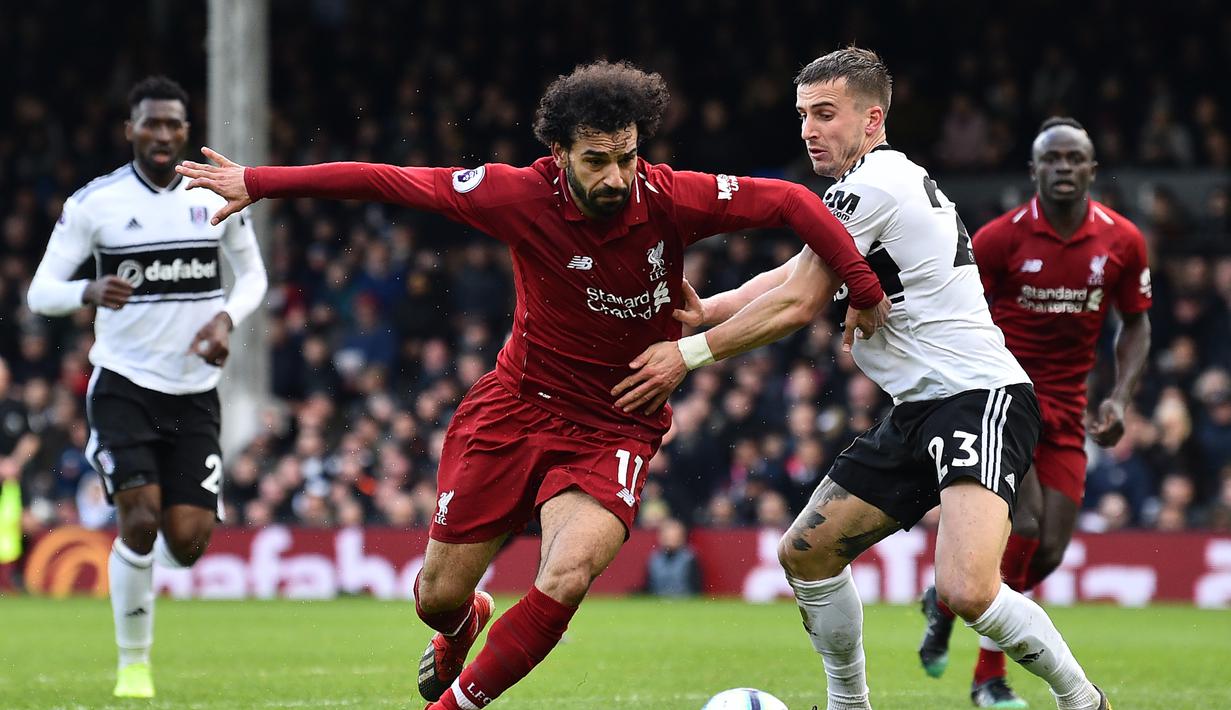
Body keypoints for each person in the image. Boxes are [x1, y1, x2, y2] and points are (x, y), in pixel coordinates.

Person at [175, 60, 889, 710]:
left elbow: (795, 202)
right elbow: (389, 179)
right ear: (559, 155)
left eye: (628, 158)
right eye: (597, 162)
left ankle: (452, 707)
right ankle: (464, 624)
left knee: (567, 573)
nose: (616, 177)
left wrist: (860, 286)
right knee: (436, 598)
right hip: (515, 408)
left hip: (616, 422)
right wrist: (259, 182)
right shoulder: (513, 194)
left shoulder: (670, 198)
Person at [612, 48, 1110, 710]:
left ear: (872, 118)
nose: (808, 131)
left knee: (966, 590)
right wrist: (711, 309)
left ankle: (1082, 701)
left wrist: (690, 353)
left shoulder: (870, 187)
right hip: (919, 407)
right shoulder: (870, 184)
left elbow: (798, 304)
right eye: (801, 116)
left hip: (977, 396)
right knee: (807, 555)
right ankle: (850, 705)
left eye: (825, 114)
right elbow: (793, 274)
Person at [26, 76, 268, 699]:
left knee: (186, 542)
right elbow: (40, 291)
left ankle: (138, 576)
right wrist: (85, 291)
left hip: (195, 390)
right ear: (130, 130)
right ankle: (134, 663)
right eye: (151, 124)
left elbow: (253, 280)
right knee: (137, 519)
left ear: (187, 131)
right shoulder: (95, 204)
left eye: (174, 124)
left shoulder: (210, 193)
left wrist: (226, 318)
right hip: (124, 385)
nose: (163, 135)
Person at [916, 117, 1151, 707]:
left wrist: (1119, 398)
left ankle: (946, 598)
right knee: (1020, 527)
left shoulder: (1122, 241)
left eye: (1076, 159)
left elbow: (1137, 323)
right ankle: (987, 680)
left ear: (1093, 170)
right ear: (1034, 171)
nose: (1065, 169)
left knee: (1046, 549)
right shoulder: (999, 239)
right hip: (1001, 399)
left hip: (1069, 413)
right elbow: (958, 311)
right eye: (1054, 160)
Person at [644, 517, 702, 596]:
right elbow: (649, 586)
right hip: (658, 602)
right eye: (667, 536)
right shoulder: (654, 558)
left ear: (682, 537)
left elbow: (696, 588)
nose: (670, 539)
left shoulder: (689, 558)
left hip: (684, 602)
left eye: (674, 536)